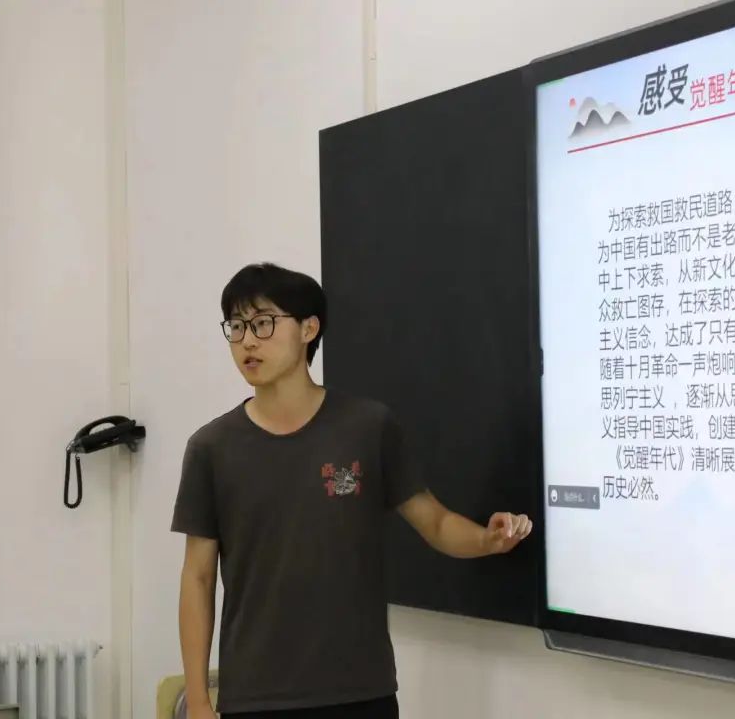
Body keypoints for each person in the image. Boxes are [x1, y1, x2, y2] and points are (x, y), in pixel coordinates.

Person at [171, 263, 532, 719]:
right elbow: (198, 578)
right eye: (236, 326)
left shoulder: (366, 427)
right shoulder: (211, 448)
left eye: (263, 323)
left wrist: (488, 539)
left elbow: (435, 521)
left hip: (360, 691)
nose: (247, 341)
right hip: (257, 696)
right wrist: (198, 700)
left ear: (309, 329)